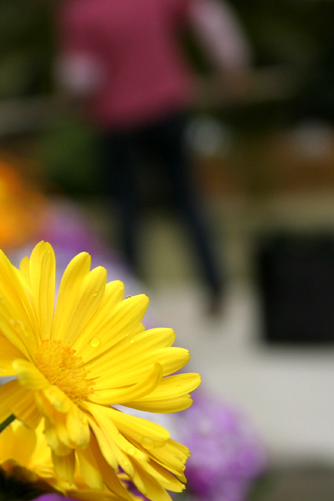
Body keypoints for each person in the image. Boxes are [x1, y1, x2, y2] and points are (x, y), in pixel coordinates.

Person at [56, 0, 250, 314]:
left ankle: (128, 303)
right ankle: (214, 286)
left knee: (127, 211)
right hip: (167, 106)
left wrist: (71, 100)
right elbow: (209, 16)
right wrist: (231, 65)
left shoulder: (81, 10)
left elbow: (83, 74)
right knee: (186, 199)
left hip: (117, 118)